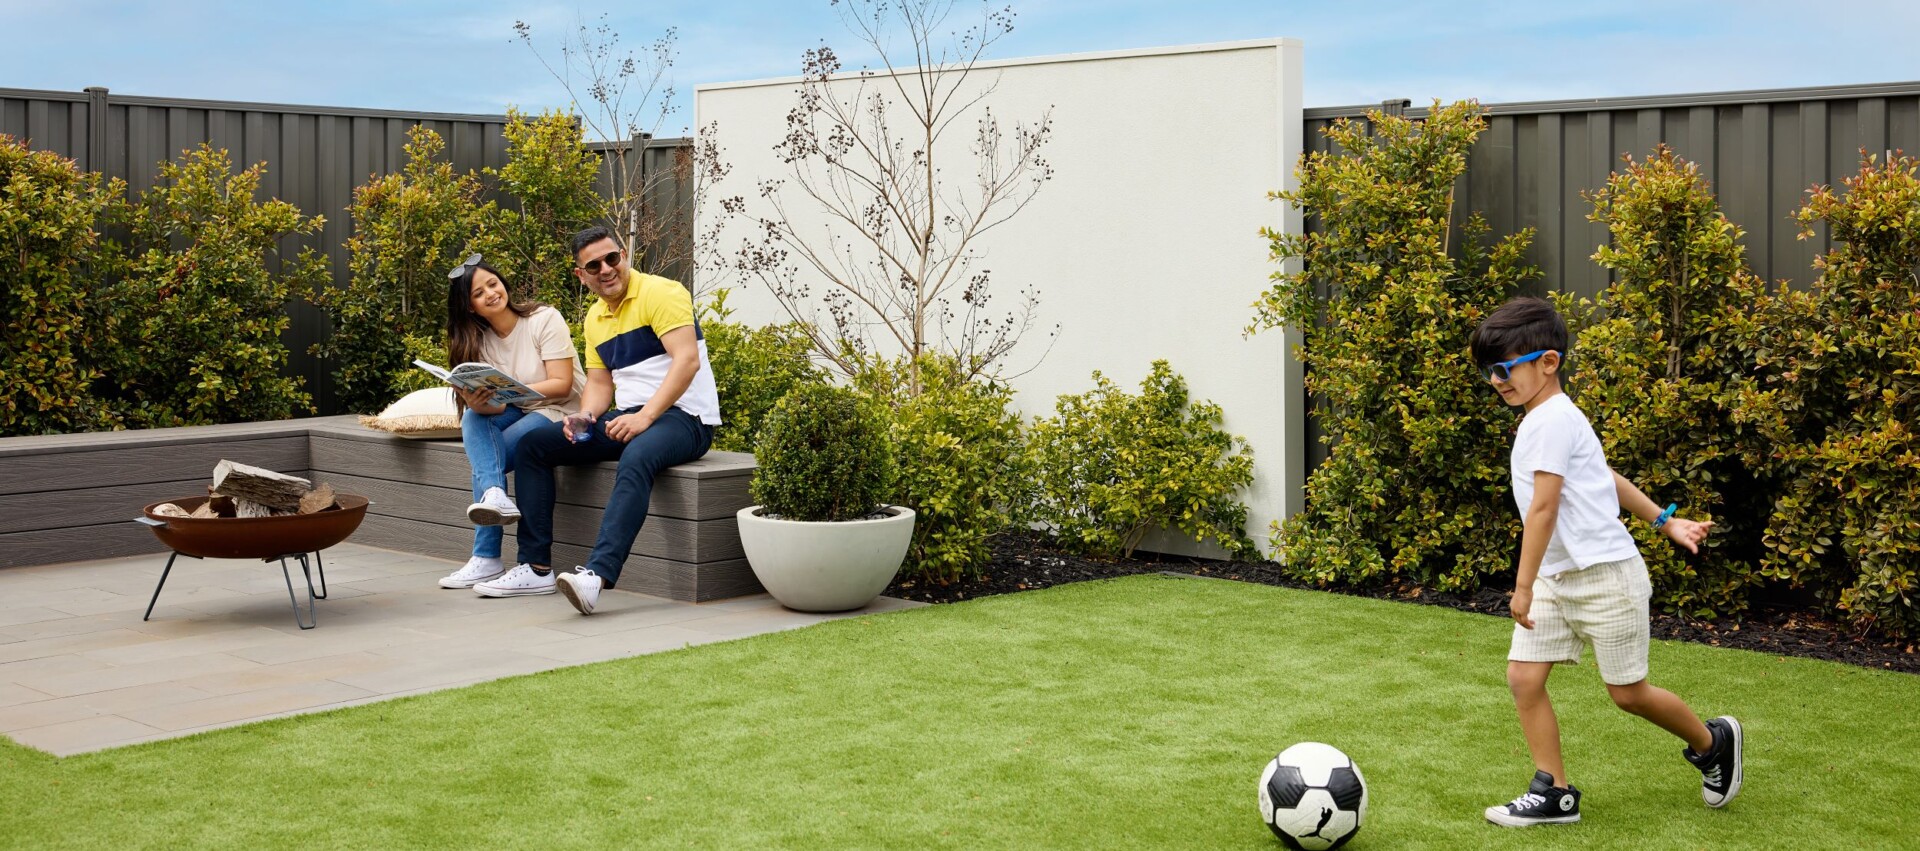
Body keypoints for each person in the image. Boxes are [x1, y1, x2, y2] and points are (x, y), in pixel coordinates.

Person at [1469, 297, 1742, 828]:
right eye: (1489, 372)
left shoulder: (1551, 420)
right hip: (1558, 576)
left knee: (1627, 694)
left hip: (1604, 578)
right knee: (1525, 678)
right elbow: (1603, 476)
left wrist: (1521, 586)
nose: (1497, 380)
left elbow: (1544, 509)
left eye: (1505, 368)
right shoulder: (1548, 419)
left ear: (1548, 363)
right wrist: (1666, 520)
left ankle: (1713, 743)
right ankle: (1555, 793)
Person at [470, 227, 721, 614]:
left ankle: (596, 577)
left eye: (611, 259)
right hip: (631, 416)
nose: (605, 269)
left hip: (686, 418)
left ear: (623, 255)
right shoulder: (595, 317)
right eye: (593, 265)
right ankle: (535, 568)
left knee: (637, 455)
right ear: (581, 275)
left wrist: (644, 418)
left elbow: (687, 361)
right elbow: (601, 383)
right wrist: (585, 417)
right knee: (534, 447)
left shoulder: (662, 292)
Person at [434, 254, 585, 590]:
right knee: (473, 418)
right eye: (478, 293)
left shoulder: (543, 319)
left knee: (488, 459)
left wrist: (509, 395)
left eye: (492, 283)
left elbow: (560, 384)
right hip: (520, 408)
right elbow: (495, 412)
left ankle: (486, 556)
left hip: (560, 410)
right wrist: (479, 401)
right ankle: (494, 496)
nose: (490, 293)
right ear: (470, 307)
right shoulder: (480, 342)